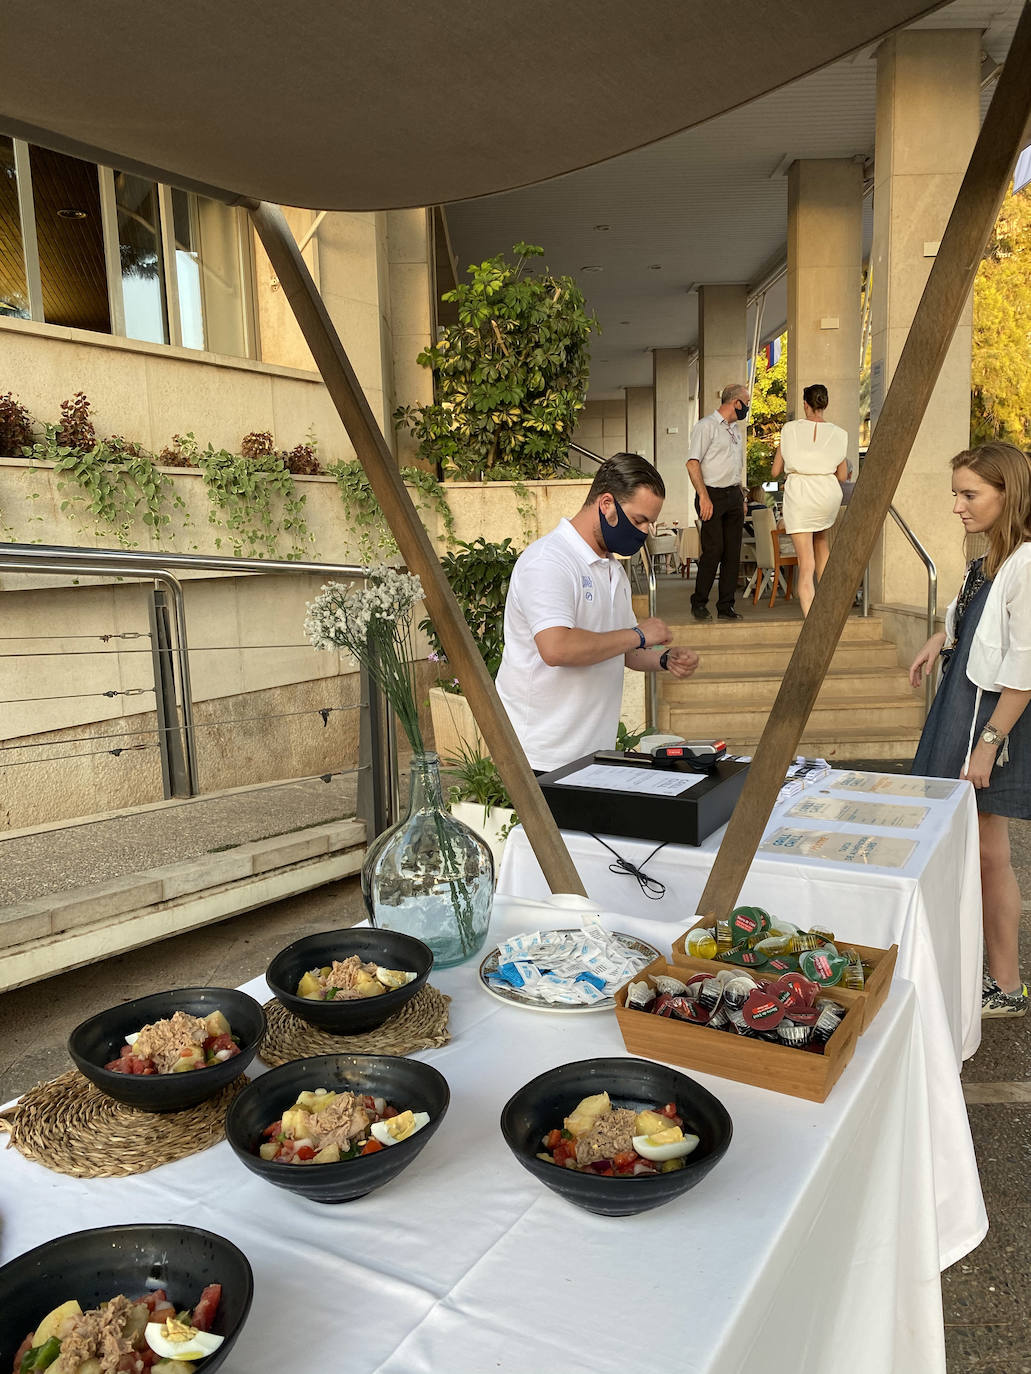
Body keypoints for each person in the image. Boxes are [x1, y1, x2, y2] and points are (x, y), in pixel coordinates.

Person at [909, 442, 1031, 1019]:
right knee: (973, 850)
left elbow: (1026, 669)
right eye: (956, 492)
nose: (958, 505)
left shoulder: (1026, 562)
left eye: (970, 494)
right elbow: (976, 627)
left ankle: (1004, 985)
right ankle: (987, 977)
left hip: (987, 721)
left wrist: (989, 743)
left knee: (986, 852)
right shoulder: (989, 559)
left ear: (1008, 494)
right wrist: (942, 638)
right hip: (966, 710)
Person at [496, 453, 701, 773]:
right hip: (539, 753)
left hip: (592, 751)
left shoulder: (612, 570)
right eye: (638, 520)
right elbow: (557, 648)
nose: (645, 532)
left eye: (650, 522)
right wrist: (639, 633)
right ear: (606, 504)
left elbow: (626, 650)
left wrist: (663, 657)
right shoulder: (549, 561)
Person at [770, 383, 848, 617]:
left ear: (805, 404)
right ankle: (829, 609)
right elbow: (842, 476)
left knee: (806, 563)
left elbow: (775, 472)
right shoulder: (839, 433)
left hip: (801, 495)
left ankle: (811, 618)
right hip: (827, 494)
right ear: (825, 404)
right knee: (821, 543)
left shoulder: (790, 430)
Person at [685, 383, 750, 622]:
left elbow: (736, 467)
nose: (748, 407)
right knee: (713, 551)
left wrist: (741, 496)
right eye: (747, 402)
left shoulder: (736, 431)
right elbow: (693, 463)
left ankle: (726, 606)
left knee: (732, 553)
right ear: (735, 402)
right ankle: (699, 602)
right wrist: (703, 496)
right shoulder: (706, 426)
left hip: (733, 495)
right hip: (711, 493)